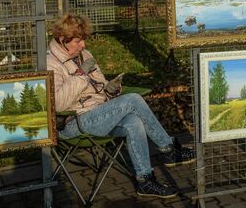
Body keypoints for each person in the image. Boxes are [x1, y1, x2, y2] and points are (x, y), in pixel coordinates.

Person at [47, 13, 195, 199]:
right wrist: (80, 74)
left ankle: (145, 181)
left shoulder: (84, 54)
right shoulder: (51, 63)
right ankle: (169, 149)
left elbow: (99, 85)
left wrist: (111, 89)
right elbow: (59, 104)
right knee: (133, 99)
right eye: (78, 41)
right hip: (73, 122)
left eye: (84, 40)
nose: (83, 45)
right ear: (62, 39)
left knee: (133, 122)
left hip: (98, 112)